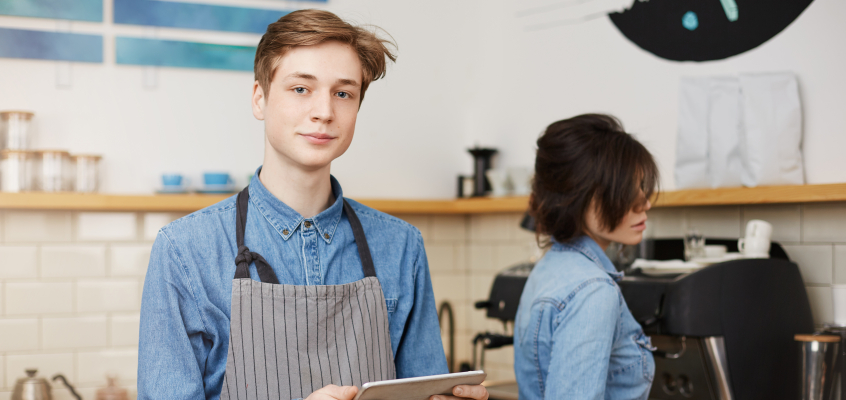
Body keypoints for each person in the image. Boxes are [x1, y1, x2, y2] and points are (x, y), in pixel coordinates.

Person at [137, 10, 489, 400]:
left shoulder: (402, 247)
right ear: (260, 98)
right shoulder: (184, 251)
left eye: (343, 93)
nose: (324, 111)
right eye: (301, 89)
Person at [513, 114, 659, 399]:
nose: (645, 203)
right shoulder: (592, 291)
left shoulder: (550, 266)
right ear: (579, 196)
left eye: (642, 187)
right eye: (627, 190)